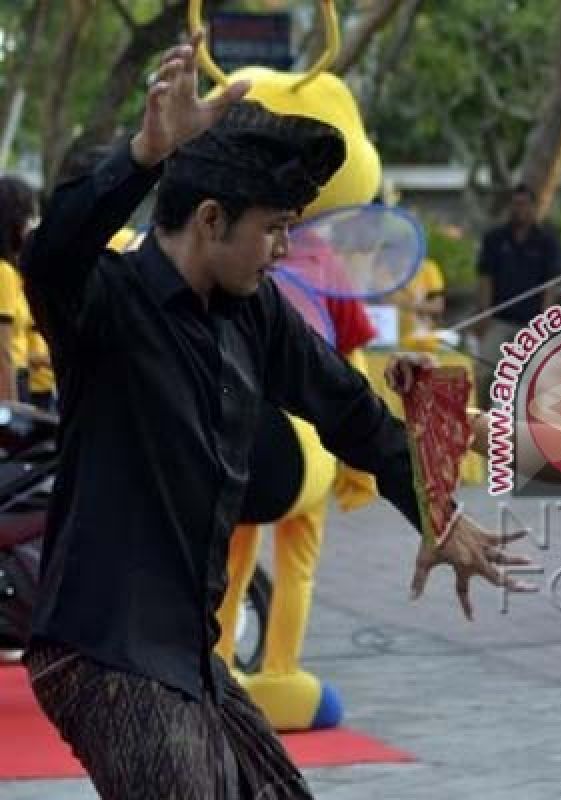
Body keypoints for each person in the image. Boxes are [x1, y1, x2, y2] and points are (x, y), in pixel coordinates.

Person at [19, 34, 529, 798]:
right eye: (274, 228)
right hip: (102, 648)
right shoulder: (106, 300)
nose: (286, 248)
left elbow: (351, 411)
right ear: (212, 219)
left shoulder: (253, 312)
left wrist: (437, 513)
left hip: (189, 652)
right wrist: (144, 152)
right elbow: (53, 251)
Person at [475, 184, 561, 404]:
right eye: (515, 204)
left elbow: (550, 286)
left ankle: (532, 427)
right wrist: (484, 315)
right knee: (483, 372)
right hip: (499, 320)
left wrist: (546, 322)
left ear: (533, 207)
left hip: (532, 323)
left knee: (536, 378)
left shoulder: (547, 241)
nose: (519, 209)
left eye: (524, 204)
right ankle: (486, 422)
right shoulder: (494, 239)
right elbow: (485, 278)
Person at [0, 175, 38, 403]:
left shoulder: (12, 273)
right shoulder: (3, 274)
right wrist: (13, 406)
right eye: (29, 216)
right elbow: (3, 350)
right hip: (10, 386)